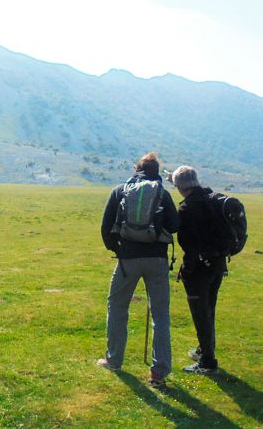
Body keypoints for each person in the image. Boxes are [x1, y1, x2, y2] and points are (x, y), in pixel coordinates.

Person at [98, 152, 180, 388]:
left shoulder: (120, 190)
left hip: (127, 260)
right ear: (157, 171)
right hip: (156, 260)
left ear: (137, 168)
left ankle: (113, 360)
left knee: (117, 307)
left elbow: (105, 226)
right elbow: (174, 225)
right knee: (161, 315)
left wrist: (118, 250)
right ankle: (158, 373)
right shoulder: (162, 193)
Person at [170, 165, 224, 374]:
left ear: (179, 186)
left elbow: (187, 243)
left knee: (200, 313)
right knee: (209, 309)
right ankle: (204, 350)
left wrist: (187, 269)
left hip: (199, 268)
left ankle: (208, 363)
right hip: (218, 264)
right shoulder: (211, 199)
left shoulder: (187, 208)